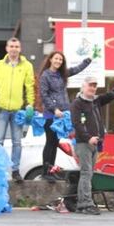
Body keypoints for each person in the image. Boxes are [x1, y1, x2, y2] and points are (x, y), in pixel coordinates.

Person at [70, 75, 114, 215]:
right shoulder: (77, 103)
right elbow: (77, 124)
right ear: (83, 86)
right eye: (90, 85)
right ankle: (85, 203)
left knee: (88, 174)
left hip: (94, 143)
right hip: (84, 143)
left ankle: (82, 203)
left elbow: (111, 95)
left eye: (95, 86)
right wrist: (88, 137)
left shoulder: (96, 101)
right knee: (86, 173)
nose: (93, 88)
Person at [38, 51, 91, 181]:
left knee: (55, 142)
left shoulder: (62, 74)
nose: (58, 61)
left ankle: (51, 170)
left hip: (62, 114)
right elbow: (44, 95)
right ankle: (46, 171)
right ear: (50, 59)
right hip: (51, 115)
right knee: (50, 142)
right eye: (56, 59)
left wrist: (88, 60)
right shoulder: (45, 76)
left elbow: (76, 69)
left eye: (60, 60)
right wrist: (54, 109)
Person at [0, 37, 35, 182]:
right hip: (1, 110)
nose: (14, 49)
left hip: (17, 110)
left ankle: (15, 170)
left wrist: (30, 104)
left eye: (16, 46)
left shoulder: (27, 66)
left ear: (20, 49)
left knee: (17, 142)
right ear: (6, 48)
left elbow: (30, 86)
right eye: (11, 46)